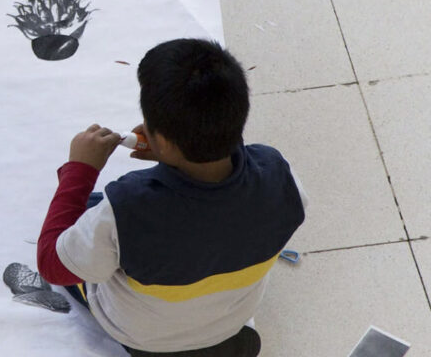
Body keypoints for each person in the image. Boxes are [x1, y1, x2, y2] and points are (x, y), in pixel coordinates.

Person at [36, 38, 307, 356]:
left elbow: (52, 265)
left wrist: (79, 170)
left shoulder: (126, 207)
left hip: (142, 337)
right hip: (230, 324)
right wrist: (177, 154)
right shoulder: (280, 176)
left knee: (85, 214)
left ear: (160, 140)